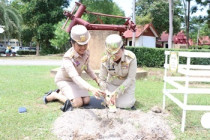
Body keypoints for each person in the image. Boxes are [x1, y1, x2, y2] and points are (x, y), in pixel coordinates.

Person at [44, 25, 103, 112]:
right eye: (80, 45)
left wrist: (96, 79)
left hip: (75, 81)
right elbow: (75, 76)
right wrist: (91, 88)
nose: (83, 48)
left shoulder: (86, 52)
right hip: (64, 80)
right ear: (72, 43)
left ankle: (62, 92)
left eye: (85, 44)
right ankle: (55, 95)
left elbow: (87, 67)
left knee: (86, 100)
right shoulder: (68, 58)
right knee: (77, 103)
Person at [98, 34, 137, 109]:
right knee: (108, 102)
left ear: (122, 49)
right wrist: (106, 92)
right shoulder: (105, 60)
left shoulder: (131, 57)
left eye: (116, 53)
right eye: (110, 53)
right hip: (111, 84)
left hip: (126, 86)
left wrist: (117, 92)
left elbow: (130, 78)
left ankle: (128, 98)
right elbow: (102, 79)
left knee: (126, 105)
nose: (113, 56)